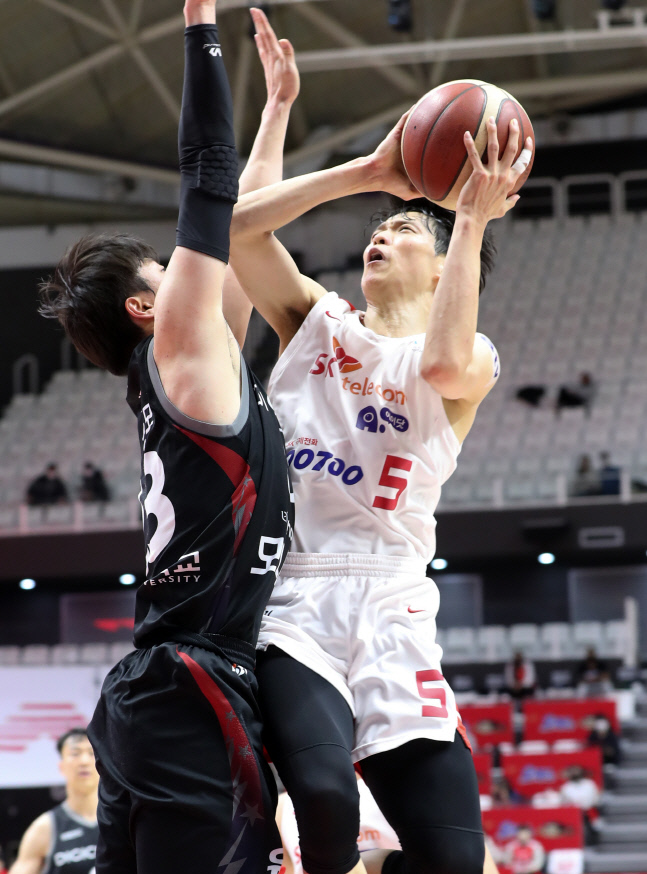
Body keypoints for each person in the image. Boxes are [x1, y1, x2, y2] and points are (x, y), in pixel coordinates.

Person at [230, 65, 532, 874]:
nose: (384, 231)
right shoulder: (314, 321)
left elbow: (436, 367)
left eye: (406, 230)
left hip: (395, 603)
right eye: (381, 224)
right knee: (324, 798)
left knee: (453, 862)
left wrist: (465, 221)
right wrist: (368, 171)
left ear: (441, 269)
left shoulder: (471, 355)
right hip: (295, 595)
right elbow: (235, 233)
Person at [37, 4, 295, 872]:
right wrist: (199, 27)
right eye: (167, 268)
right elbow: (206, 178)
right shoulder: (178, 345)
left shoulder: (189, 365)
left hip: (158, 689)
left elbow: (240, 223)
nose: (191, 265)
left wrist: (277, 114)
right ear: (148, 307)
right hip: (191, 687)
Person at [9, 728, 99, 874]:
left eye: (91, 753)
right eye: (75, 754)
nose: (84, 761)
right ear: (61, 766)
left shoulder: (123, 819)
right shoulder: (45, 827)